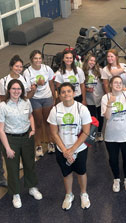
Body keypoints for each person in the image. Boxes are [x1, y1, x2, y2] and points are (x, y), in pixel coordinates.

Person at [47, 82, 92, 210]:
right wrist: (65, 150)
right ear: (59, 95)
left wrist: (72, 150)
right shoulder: (55, 110)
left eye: (69, 91)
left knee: (81, 172)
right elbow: (54, 133)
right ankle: (69, 194)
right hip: (62, 149)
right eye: (63, 92)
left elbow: (86, 132)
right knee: (66, 173)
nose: (66, 94)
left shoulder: (81, 108)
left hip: (79, 148)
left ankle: (83, 193)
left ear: (73, 93)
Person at [0, 79, 42, 208]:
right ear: (9, 90)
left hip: (26, 137)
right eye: (13, 88)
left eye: (19, 89)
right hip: (10, 139)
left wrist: (33, 129)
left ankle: (32, 187)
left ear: (22, 90)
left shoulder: (26, 102)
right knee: (12, 168)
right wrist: (7, 148)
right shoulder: (3, 106)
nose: (16, 91)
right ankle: (15, 193)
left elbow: (30, 116)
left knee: (30, 163)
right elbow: (0, 129)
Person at [101, 76, 126, 192]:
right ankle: (116, 179)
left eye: (120, 83)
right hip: (111, 136)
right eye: (115, 83)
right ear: (110, 84)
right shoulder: (105, 98)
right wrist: (110, 103)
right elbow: (107, 116)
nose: (118, 85)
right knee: (113, 159)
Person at [23, 50, 56, 157]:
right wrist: (36, 84)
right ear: (32, 59)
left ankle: (51, 142)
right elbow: (28, 90)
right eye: (35, 58)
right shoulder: (27, 72)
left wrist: (53, 97)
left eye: (39, 58)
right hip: (35, 99)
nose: (38, 60)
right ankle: (38, 145)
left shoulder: (47, 69)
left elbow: (51, 84)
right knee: (37, 123)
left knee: (48, 121)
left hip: (47, 98)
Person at [82, 53, 104, 140]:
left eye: (94, 61)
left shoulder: (99, 70)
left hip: (99, 96)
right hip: (89, 98)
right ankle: (93, 133)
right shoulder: (82, 71)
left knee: (100, 116)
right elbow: (81, 85)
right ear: (87, 61)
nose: (92, 62)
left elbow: (104, 83)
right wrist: (87, 90)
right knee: (92, 116)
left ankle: (99, 133)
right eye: (91, 60)